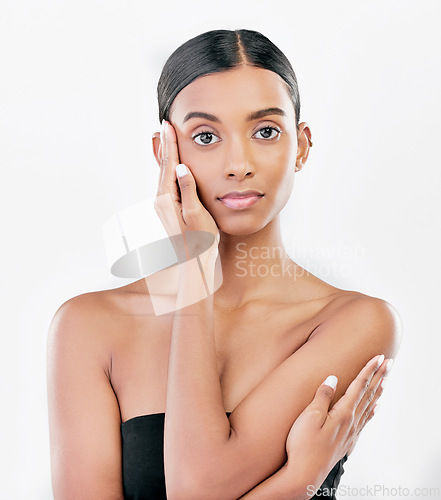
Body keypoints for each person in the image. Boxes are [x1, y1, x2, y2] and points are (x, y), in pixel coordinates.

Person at [47, 29, 401, 499]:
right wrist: (295, 484)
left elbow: (198, 489)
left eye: (266, 131)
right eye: (207, 136)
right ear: (164, 154)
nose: (238, 163)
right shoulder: (88, 327)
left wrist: (191, 279)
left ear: (302, 146)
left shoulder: (353, 323)